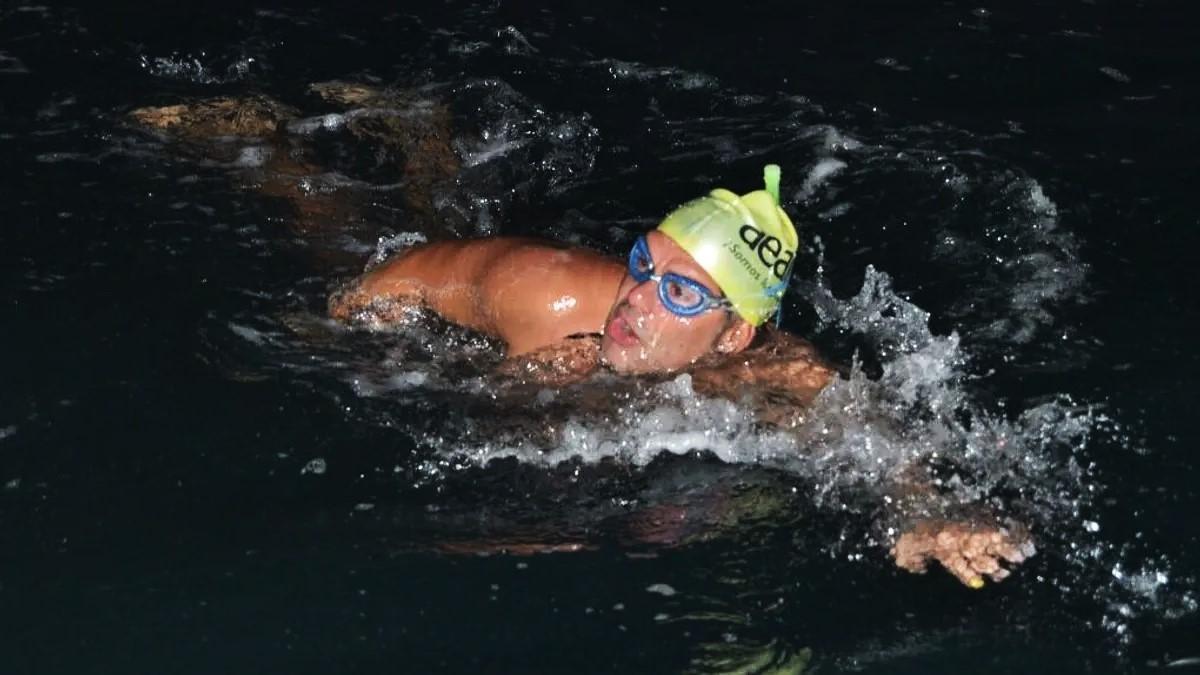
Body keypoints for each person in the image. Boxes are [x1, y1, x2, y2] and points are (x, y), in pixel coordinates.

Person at [129, 92, 1034, 587]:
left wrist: (923, 514)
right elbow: (401, 278)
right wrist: (330, 335)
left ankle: (420, 133)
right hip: (453, 287)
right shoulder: (552, 292)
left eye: (680, 290)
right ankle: (271, 141)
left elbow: (880, 442)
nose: (639, 297)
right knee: (345, 228)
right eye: (645, 263)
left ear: (732, 336)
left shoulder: (781, 374)